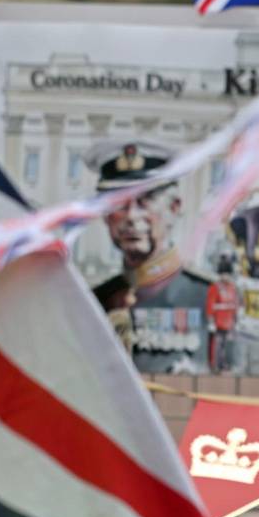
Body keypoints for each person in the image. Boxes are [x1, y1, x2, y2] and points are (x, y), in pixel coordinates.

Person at [88, 141, 211, 374]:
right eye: (119, 204)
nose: (132, 217)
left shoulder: (206, 297)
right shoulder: (92, 302)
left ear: (174, 209)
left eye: (145, 201)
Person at [206, 255, 240, 372]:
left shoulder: (232, 288)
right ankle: (214, 364)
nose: (226, 277)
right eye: (224, 274)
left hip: (228, 321)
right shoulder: (215, 287)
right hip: (218, 321)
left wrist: (235, 320)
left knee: (225, 346)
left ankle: (223, 364)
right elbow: (211, 304)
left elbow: (235, 304)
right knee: (216, 345)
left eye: (227, 274)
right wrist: (211, 320)